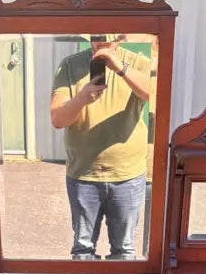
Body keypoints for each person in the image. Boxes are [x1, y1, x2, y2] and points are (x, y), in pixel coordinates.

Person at [49, 35, 152, 259]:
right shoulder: (70, 65)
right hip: (83, 175)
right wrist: (81, 99)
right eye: (97, 36)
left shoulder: (139, 62)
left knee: (124, 251)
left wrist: (121, 69)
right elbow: (57, 119)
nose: (102, 41)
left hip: (128, 175)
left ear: (121, 36)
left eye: (109, 36)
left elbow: (153, 94)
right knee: (83, 250)